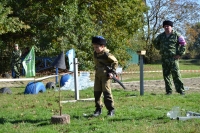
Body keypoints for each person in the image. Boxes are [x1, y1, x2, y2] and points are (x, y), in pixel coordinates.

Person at [153, 20, 186, 95]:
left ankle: (181, 91)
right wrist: (160, 48)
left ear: (171, 27)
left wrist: (179, 54)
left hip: (173, 59)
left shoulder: (177, 35)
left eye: (168, 26)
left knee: (176, 75)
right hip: (164, 58)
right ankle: (169, 91)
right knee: (166, 76)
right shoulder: (161, 36)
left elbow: (183, 45)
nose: (166, 27)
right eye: (165, 26)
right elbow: (155, 42)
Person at [92, 36, 118, 116]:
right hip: (98, 74)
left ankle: (111, 110)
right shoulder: (95, 54)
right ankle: (98, 109)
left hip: (105, 75)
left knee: (106, 92)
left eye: (97, 47)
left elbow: (115, 62)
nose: (95, 49)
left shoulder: (106, 54)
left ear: (102, 46)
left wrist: (112, 72)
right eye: (94, 47)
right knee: (97, 92)